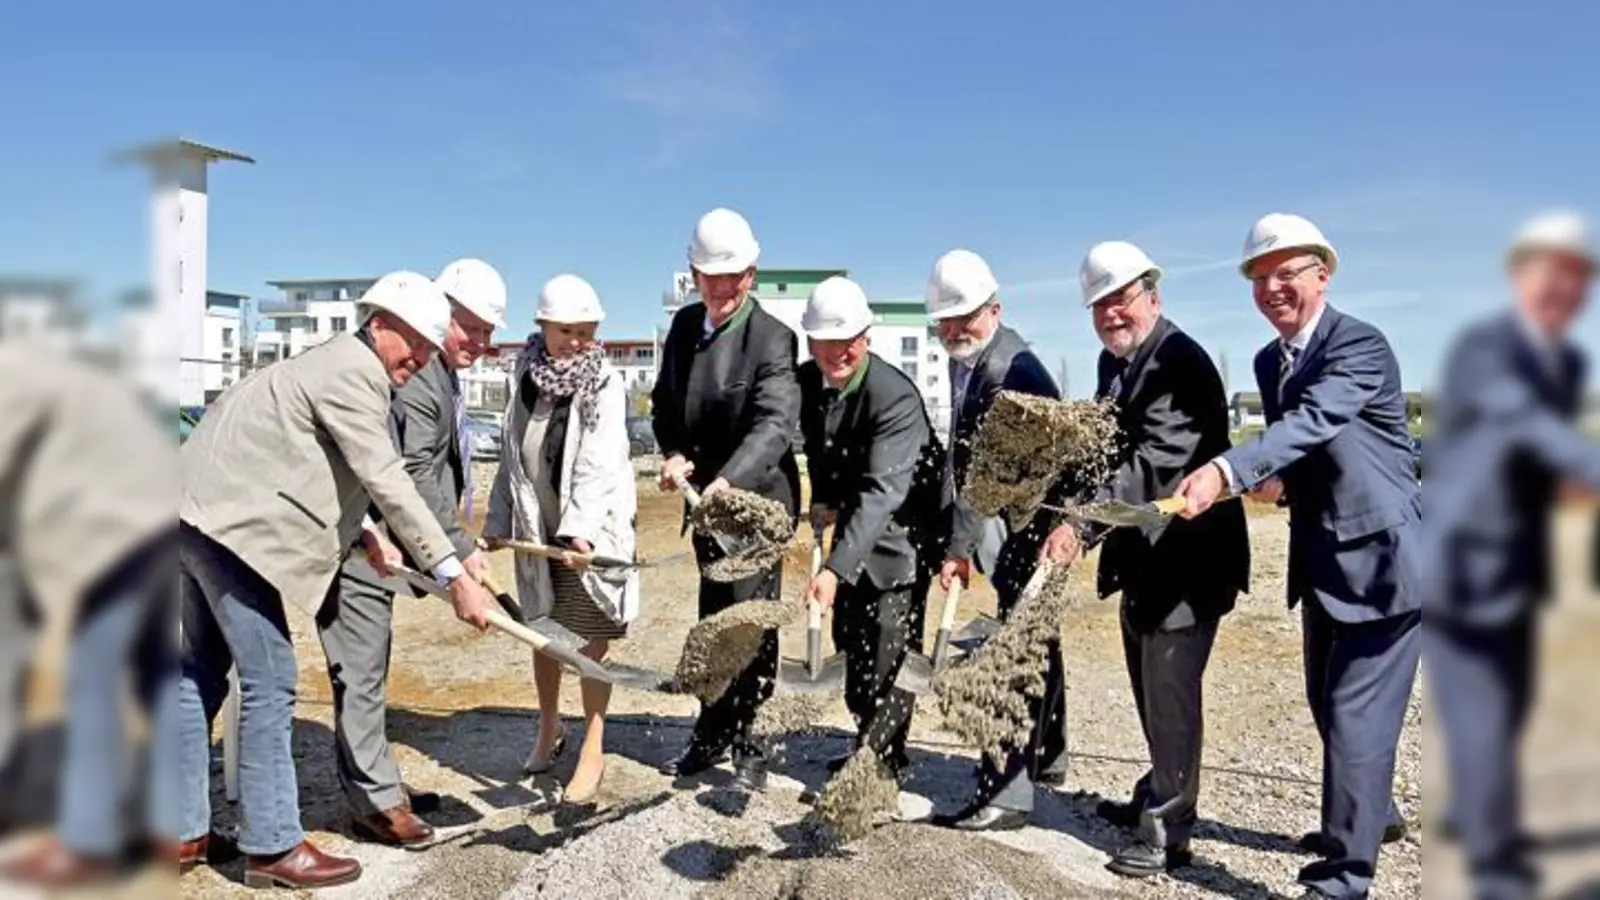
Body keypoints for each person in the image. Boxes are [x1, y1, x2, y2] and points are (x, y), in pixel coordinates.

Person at [177, 271, 498, 890]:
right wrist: (453, 572)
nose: (421, 360)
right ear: (380, 325)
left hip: (193, 512)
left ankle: (180, 828)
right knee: (271, 677)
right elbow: (386, 476)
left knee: (197, 672)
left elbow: (314, 463)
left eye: (431, 350)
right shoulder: (356, 374)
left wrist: (365, 534)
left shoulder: (330, 366)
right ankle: (272, 845)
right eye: (417, 346)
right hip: (229, 530)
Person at [1174, 213, 1421, 900]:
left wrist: (1224, 473)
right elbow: (1303, 449)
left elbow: (1316, 421)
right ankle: (1373, 816)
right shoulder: (1266, 362)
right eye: (1260, 277)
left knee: (1353, 715)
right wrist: (1270, 480)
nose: (1272, 287)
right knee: (1328, 704)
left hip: (1382, 563)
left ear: (1323, 274)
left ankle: (1343, 879)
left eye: (1288, 273)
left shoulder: (1360, 346)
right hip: (1322, 560)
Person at [1039, 241, 1250, 877]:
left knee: (1171, 692)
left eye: (1121, 299)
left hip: (1190, 562)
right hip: (1145, 560)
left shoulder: (1179, 363)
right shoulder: (1117, 364)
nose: (1111, 314)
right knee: (1149, 690)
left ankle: (1168, 831)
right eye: (1099, 305)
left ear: (1153, 296)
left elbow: (1153, 463)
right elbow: (1106, 449)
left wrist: (1080, 524)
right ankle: (1157, 788)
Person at [1425, 211, 1600, 900]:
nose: (1561, 290)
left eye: (1576, 279)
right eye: (1547, 275)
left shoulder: (1571, 360)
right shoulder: (1484, 350)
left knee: (1515, 708)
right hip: (1465, 565)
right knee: (1478, 714)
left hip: (1525, 566)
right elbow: (1523, 425)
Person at [316, 258, 506, 847]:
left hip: (394, 538)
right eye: (470, 328)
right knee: (361, 667)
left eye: (489, 332)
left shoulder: (439, 371)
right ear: (441, 313)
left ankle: (380, 784)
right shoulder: (420, 377)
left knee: (372, 663)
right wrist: (457, 554)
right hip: (363, 539)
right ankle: (373, 802)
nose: (481, 342)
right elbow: (414, 473)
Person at [0, 344, 177, 888]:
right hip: (150, 523)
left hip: (112, 539)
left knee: (96, 678)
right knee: (155, 676)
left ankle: (92, 839)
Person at [651, 208, 801, 792]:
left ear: (752, 273)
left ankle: (753, 739)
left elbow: (773, 424)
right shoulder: (686, 328)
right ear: (692, 273)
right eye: (707, 275)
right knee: (713, 619)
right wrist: (674, 452)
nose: (718, 287)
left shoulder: (772, 338)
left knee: (751, 622)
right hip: (706, 503)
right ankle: (712, 729)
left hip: (757, 504)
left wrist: (730, 480)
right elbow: (666, 405)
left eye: (730, 275)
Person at [923, 248, 1068, 832]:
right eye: (946, 320)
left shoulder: (1012, 372)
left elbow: (988, 481)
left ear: (995, 309)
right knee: (1035, 640)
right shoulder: (970, 359)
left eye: (967, 317)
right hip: (1019, 522)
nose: (954, 329)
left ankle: (1007, 792)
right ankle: (1048, 756)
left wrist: (958, 548)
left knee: (1013, 651)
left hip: (1033, 527)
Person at [483, 274, 640, 805]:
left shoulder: (605, 383)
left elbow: (599, 463)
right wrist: (497, 521)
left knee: (593, 634)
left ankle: (593, 744)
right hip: (536, 529)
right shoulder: (522, 375)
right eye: (565, 330)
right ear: (543, 326)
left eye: (586, 331)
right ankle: (550, 728)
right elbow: (511, 458)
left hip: (588, 536)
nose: (576, 341)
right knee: (542, 633)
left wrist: (580, 530)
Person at [796, 276, 945, 780]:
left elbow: (884, 494)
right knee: (852, 644)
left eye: (847, 341)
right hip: (857, 531)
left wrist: (835, 570)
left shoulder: (894, 398)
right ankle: (867, 744)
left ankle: (883, 765)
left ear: (867, 337)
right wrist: (824, 498)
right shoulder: (810, 382)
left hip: (904, 538)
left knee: (888, 652)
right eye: (825, 342)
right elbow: (820, 448)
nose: (836, 352)